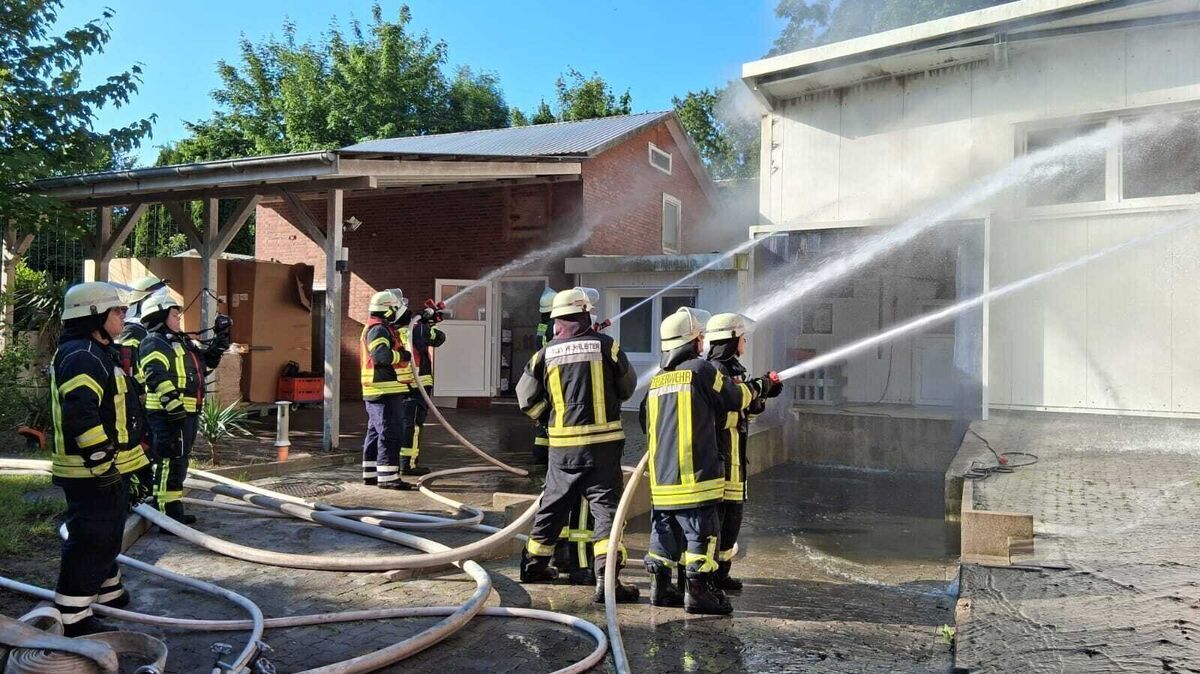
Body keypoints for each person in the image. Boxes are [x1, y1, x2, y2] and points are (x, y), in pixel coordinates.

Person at [639, 307, 770, 615]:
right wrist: (762, 387)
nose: (702, 342)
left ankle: (660, 590)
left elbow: (646, 422)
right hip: (697, 476)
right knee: (701, 535)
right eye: (698, 337)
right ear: (690, 341)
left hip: (663, 480)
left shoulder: (657, 380)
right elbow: (734, 398)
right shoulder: (702, 371)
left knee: (664, 534)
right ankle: (699, 595)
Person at [517, 287, 639, 603]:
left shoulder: (544, 354)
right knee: (606, 510)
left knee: (553, 505)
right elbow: (627, 388)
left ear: (557, 319)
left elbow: (524, 397)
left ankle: (534, 566)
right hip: (603, 447)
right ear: (585, 315)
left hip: (562, 448)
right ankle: (606, 578)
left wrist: (549, 418)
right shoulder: (608, 347)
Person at [49, 282, 147, 635]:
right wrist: (101, 461)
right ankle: (72, 616)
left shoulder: (96, 351)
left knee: (107, 535)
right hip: (90, 471)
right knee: (91, 540)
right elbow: (81, 414)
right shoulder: (81, 356)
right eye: (117, 311)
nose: (123, 317)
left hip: (105, 468)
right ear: (94, 315)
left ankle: (108, 593)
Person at [704, 313, 783, 593]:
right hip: (721, 457)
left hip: (737, 456)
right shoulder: (714, 371)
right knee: (718, 518)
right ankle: (709, 575)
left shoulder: (734, 370)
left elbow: (745, 409)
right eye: (742, 337)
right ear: (730, 339)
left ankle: (722, 572)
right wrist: (758, 387)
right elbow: (721, 414)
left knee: (733, 518)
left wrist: (763, 394)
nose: (745, 342)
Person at [138, 288, 229, 524]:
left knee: (179, 462)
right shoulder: (153, 342)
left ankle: (171, 510)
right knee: (170, 462)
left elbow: (207, 362)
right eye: (174, 314)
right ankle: (167, 516)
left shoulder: (182, 342)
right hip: (168, 414)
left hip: (185, 412)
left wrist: (221, 338)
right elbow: (154, 374)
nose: (179, 318)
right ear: (159, 318)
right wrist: (173, 404)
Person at [359, 289, 414, 490]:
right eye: (395, 308)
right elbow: (381, 356)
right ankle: (388, 478)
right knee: (390, 434)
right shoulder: (378, 329)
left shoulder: (378, 327)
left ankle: (372, 474)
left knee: (375, 433)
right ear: (388, 310)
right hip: (384, 390)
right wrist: (403, 356)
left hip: (378, 390)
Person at [397, 294, 446, 477]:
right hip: (418, 386)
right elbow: (439, 338)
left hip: (396, 385)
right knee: (413, 425)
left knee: (400, 424)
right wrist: (429, 324)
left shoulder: (391, 329)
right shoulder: (417, 329)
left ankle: (395, 462)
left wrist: (426, 321)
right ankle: (408, 464)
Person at [531, 287, 556, 465]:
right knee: (552, 413)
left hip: (542, 374)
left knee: (544, 416)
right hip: (553, 374)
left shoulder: (542, 325)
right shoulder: (555, 326)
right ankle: (547, 455)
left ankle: (540, 454)